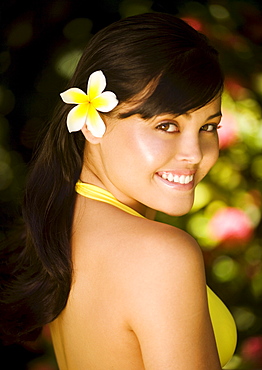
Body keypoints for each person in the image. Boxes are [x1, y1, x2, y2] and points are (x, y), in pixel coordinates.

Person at [0, 12, 237, 369]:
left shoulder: (66, 225)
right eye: (167, 125)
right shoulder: (160, 255)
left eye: (208, 126)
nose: (194, 153)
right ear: (92, 122)